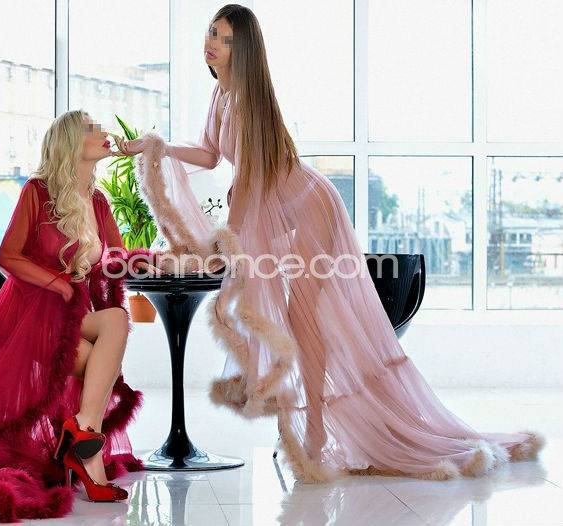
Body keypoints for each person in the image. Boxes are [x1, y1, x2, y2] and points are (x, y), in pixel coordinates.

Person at [115, 4, 545, 483]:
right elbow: (211, 154)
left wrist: (226, 241)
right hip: (277, 209)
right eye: (212, 33)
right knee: (290, 316)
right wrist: (156, 146)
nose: (212, 43)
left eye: (226, 38)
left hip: (307, 205)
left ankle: (316, 432)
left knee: (302, 317)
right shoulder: (221, 94)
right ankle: (313, 429)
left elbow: (251, 179)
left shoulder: (252, 101)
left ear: (245, 49)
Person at [0, 110, 157, 523]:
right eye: (92, 128)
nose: (104, 133)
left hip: (76, 316)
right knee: (103, 357)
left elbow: (115, 258)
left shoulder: (97, 201)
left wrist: (154, 261)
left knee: (114, 321)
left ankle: (83, 431)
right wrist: (60, 285)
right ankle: (87, 455)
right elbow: (9, 256)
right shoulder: (38, 191)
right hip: (34, 314)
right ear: (70, 141)